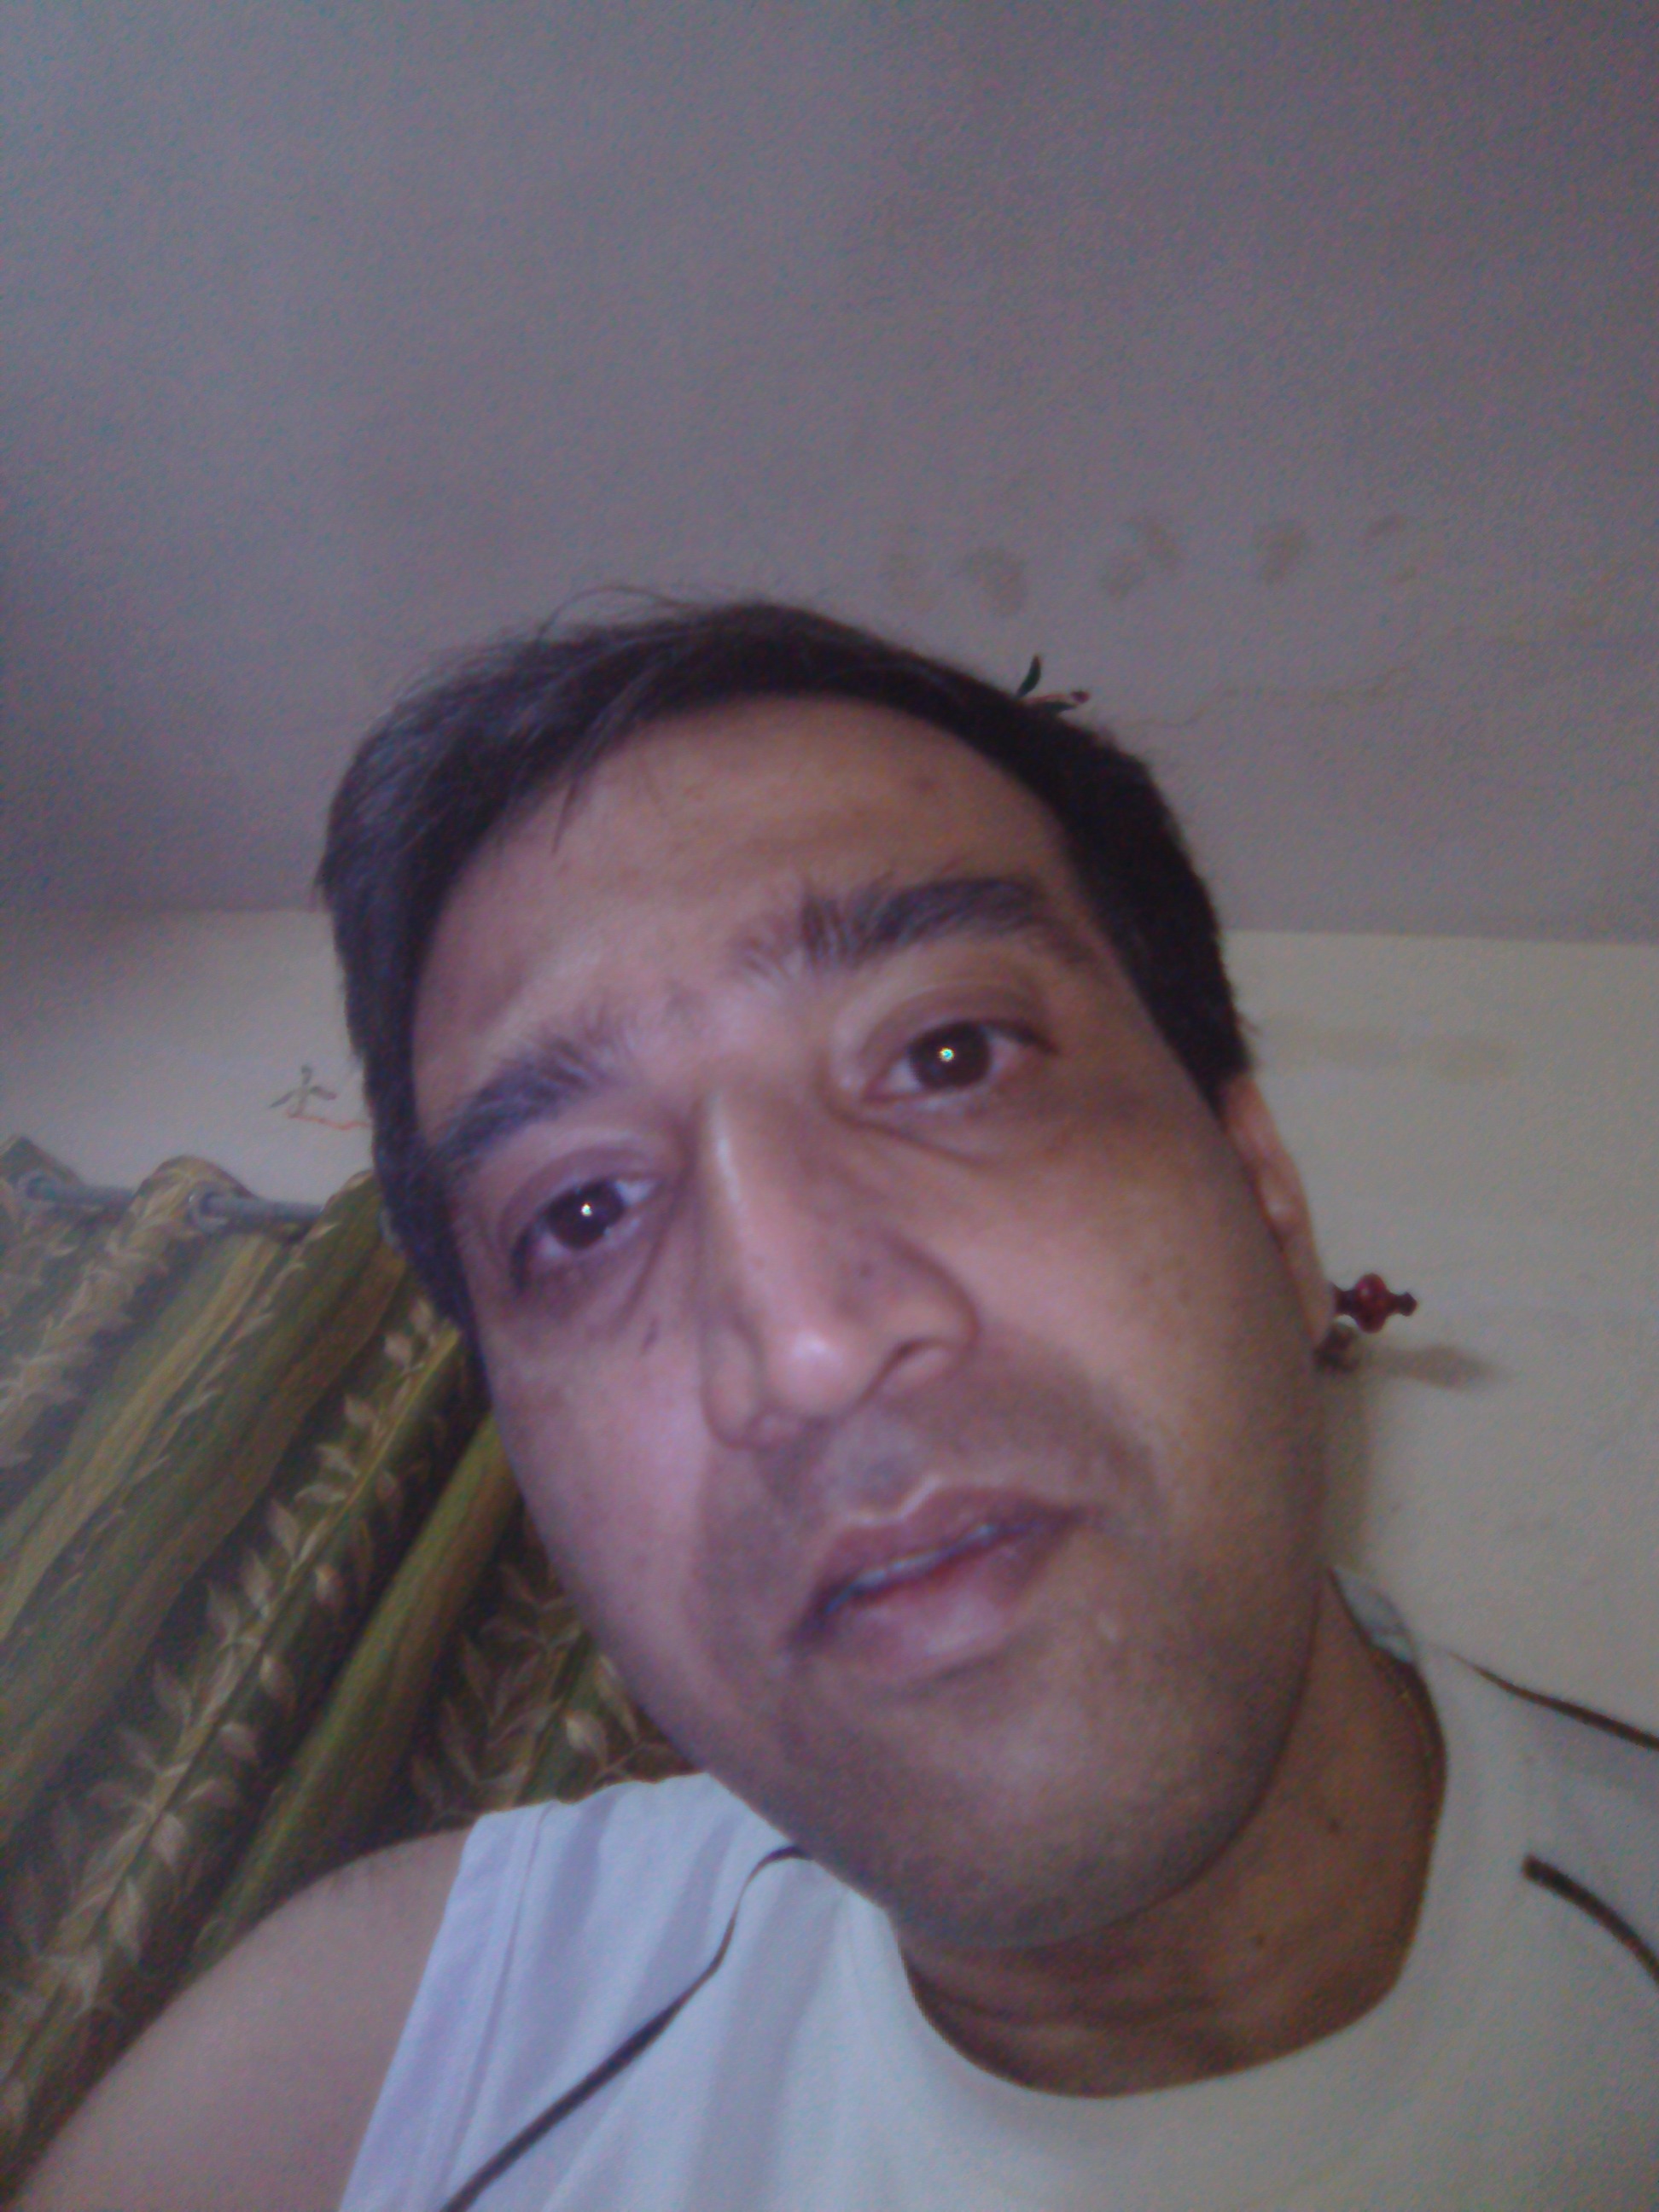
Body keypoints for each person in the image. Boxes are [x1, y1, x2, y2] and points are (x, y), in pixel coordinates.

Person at [23, 602, 1659, 2211]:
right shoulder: (362, 2080)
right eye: (580, 1216)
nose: (804, 1346)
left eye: (951, 1056)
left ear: (1270, 1211)